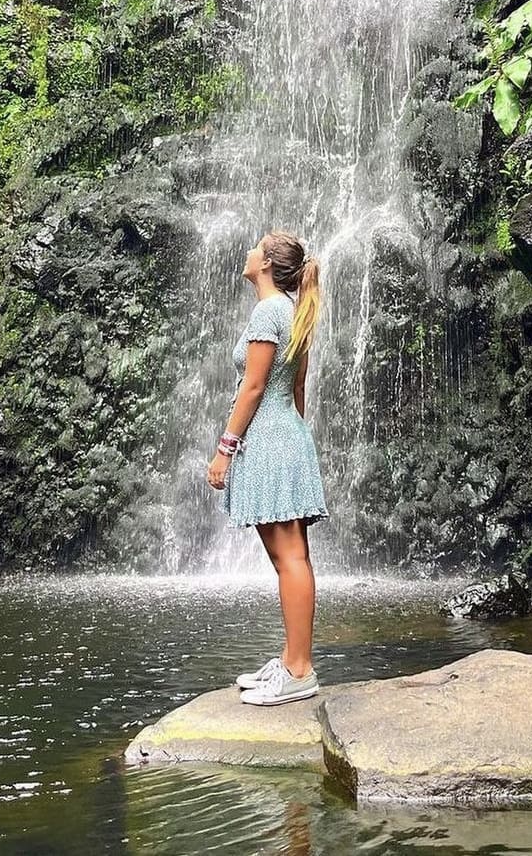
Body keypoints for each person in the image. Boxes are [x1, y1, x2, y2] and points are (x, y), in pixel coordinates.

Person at [206, 229, 329, 706]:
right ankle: (291, 658)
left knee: (290, 558)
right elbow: (298, 387)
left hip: (268, 439)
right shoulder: (292, 312)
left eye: (256, 246)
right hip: (286, 435)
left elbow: (253, 387)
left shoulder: (267, 310)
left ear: (266, 264)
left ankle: (299, 670)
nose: (247, 250)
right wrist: (293, 440)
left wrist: (225, 449)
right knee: (290, 557)